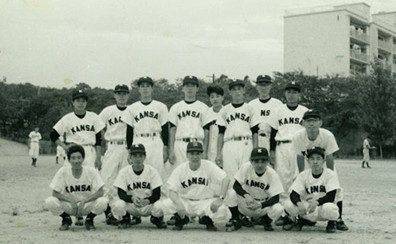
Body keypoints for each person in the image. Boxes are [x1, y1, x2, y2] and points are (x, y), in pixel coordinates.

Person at [292, 109, 349, 231]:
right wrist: (301, 175)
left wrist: (329, 175)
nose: (311, 123)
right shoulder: (298, 136)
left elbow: (329, 156)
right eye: (308, 121)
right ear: (303, 123)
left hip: (324, 164)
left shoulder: (327, 135)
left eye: (314, 120)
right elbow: (300, 156)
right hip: (309, 163)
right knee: (304, 190)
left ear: (320, 123)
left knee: (336, 190)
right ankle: (304, 218)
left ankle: (337, 219)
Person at [156, 142, 231, 231]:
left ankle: (206, 219)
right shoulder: (181, 168)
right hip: (186, 202)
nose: (195, 157)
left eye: (198, 153)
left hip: (204, 201)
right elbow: (171, 190)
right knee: (163, 205)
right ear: (187, 154)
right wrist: (179, 204)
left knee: (222, 211)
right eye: (192, 153)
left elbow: (226, 179)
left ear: (202, 154)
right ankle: (183, 218)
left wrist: (220, 198)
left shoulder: (208, 165)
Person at [216, 79, 260, 227]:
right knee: (231, 179)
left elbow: (255, 132)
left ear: (243, 91)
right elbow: (220, 133)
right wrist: (218, 153)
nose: (236, 91)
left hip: (246, 143)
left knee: (246, 178)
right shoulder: (225, 110)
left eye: (239, 88)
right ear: (230, 92)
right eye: (233, 89)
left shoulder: (250, 108)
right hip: (229, 144)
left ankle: (247, 213)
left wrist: (256, 151)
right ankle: (235, 215)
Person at [267, 81, 308, 226]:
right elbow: (273, 132)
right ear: (285, 94)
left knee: (298, 178)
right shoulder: (278, 110)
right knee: (282, 179)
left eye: (295, 92)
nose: (291, 95)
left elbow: (308, 133)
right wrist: (271, 150)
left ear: (299, 95)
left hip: (298, 147)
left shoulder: (305, 111)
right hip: (281, 146)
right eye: (289, 92)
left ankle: (299, 214)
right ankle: (285, 214)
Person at [44, 144, 108, 231]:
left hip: (85, 205)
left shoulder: (90, 171)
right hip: (70, 206)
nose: (76, 161)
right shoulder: (63, 171)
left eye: (79, 157)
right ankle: (66, 219)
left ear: (83, 159)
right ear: (69, 160)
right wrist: (71, 201)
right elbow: (55, 193)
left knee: (103, 201)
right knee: (50, 201)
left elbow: (101, 192)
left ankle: (90, 219)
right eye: (73, 158)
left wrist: (85, 201)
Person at [284, 147, 341, 233]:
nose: (315, 161)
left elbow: (331, 196)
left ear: (323, 160)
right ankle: (302, 220)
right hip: (308, 208)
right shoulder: (303, 175)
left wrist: (317, 202)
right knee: (288, 204)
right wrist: (299, 204)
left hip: (322, 207)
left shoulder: (330, 174)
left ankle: (332, 222)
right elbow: (293, 194)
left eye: (318, 158)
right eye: (312, 158)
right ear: (308, 161)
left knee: (330, 208)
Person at [110, 144, 166, 229]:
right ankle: (125, 218)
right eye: (135, 156)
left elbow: (157, 194)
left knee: (161, 205)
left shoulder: (152, 171)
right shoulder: (124, 172)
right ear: (130, 157)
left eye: (140, 156)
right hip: (132, 205)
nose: (138, 159)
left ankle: (156, 218)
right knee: (117, 204)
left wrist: (147, 200)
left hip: (148, 205)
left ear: (144, 157)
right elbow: (120, 193)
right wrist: (131, 199)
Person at [123, 77, 169, 178]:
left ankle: (160, 194)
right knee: (140, 171)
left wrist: (166, 147)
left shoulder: (161, 106)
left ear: (152, 88)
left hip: (155, 140)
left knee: (158, 171)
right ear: (138, 89)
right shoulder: (132, 108)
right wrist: (129, 150)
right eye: (142, 86)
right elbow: (129, 130)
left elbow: (165, 128)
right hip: (138, 139)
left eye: (147, 86)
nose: (145, 89)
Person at [98, 84, 130, 225]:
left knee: (127, 180)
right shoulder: (107, 111)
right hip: (112, 146)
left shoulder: (132, 110)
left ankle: (127, 213)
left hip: (127, 147)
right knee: (108, 179)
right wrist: (103, 145)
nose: (121, 96)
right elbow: (98, 128)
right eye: (119, 93)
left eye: (124, 93)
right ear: (115, 95)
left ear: (128, 95)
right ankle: (109, 212)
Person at [231, 147, 284, 231]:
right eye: (256, 161)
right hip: (247, 203)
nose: (260, 165)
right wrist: (246, 195)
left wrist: (261, 205)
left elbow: (276, 198)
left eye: (263, 161)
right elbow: (236, 186)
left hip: (262, 206)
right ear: (251, 161)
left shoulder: (272, 174)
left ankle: (266, 220)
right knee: (231, 194)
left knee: (279, 208)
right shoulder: (246, 167)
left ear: (267, 162)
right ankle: (236, 219)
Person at [50, 89, 105, 169]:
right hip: (73, 151)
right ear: (73, 102)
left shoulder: (94, 117)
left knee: (89, 178)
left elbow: (98, 140)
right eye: (78, 100)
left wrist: (98, 158)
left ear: (86, 103)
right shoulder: (67, 118)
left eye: (83, 101)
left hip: (89, 151)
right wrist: (65, 147)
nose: (81, 103)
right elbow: (53, 135)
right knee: (71, 177)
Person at [168, 76, 209, 167]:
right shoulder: (175, 107)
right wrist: (171, 150)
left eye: (193, 85)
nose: (190, 88)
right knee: (179, 174)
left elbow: (206, 131)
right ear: (183, 88)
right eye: (187, 86)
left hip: (197, 144)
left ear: (197, 88)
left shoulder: (204, 107)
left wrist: (205, 151)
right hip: (180, 144)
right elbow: (172, 130)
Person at [248, 75, 282, 152]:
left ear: (270, 86)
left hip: (273, 139)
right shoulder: (251, 104)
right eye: (261, 85)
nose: (263, 88)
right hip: (256, 139)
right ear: (256, 86)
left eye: (266, 85)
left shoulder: (278, 104)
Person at [203, 85, 224, 162]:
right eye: (212, 97)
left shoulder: (226, 112)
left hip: (224, 150)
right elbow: (206, 133)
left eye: (217, 96)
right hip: (210, 151)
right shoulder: (207, 113)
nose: (215, 99)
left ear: (222, 98)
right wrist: (204, 152)